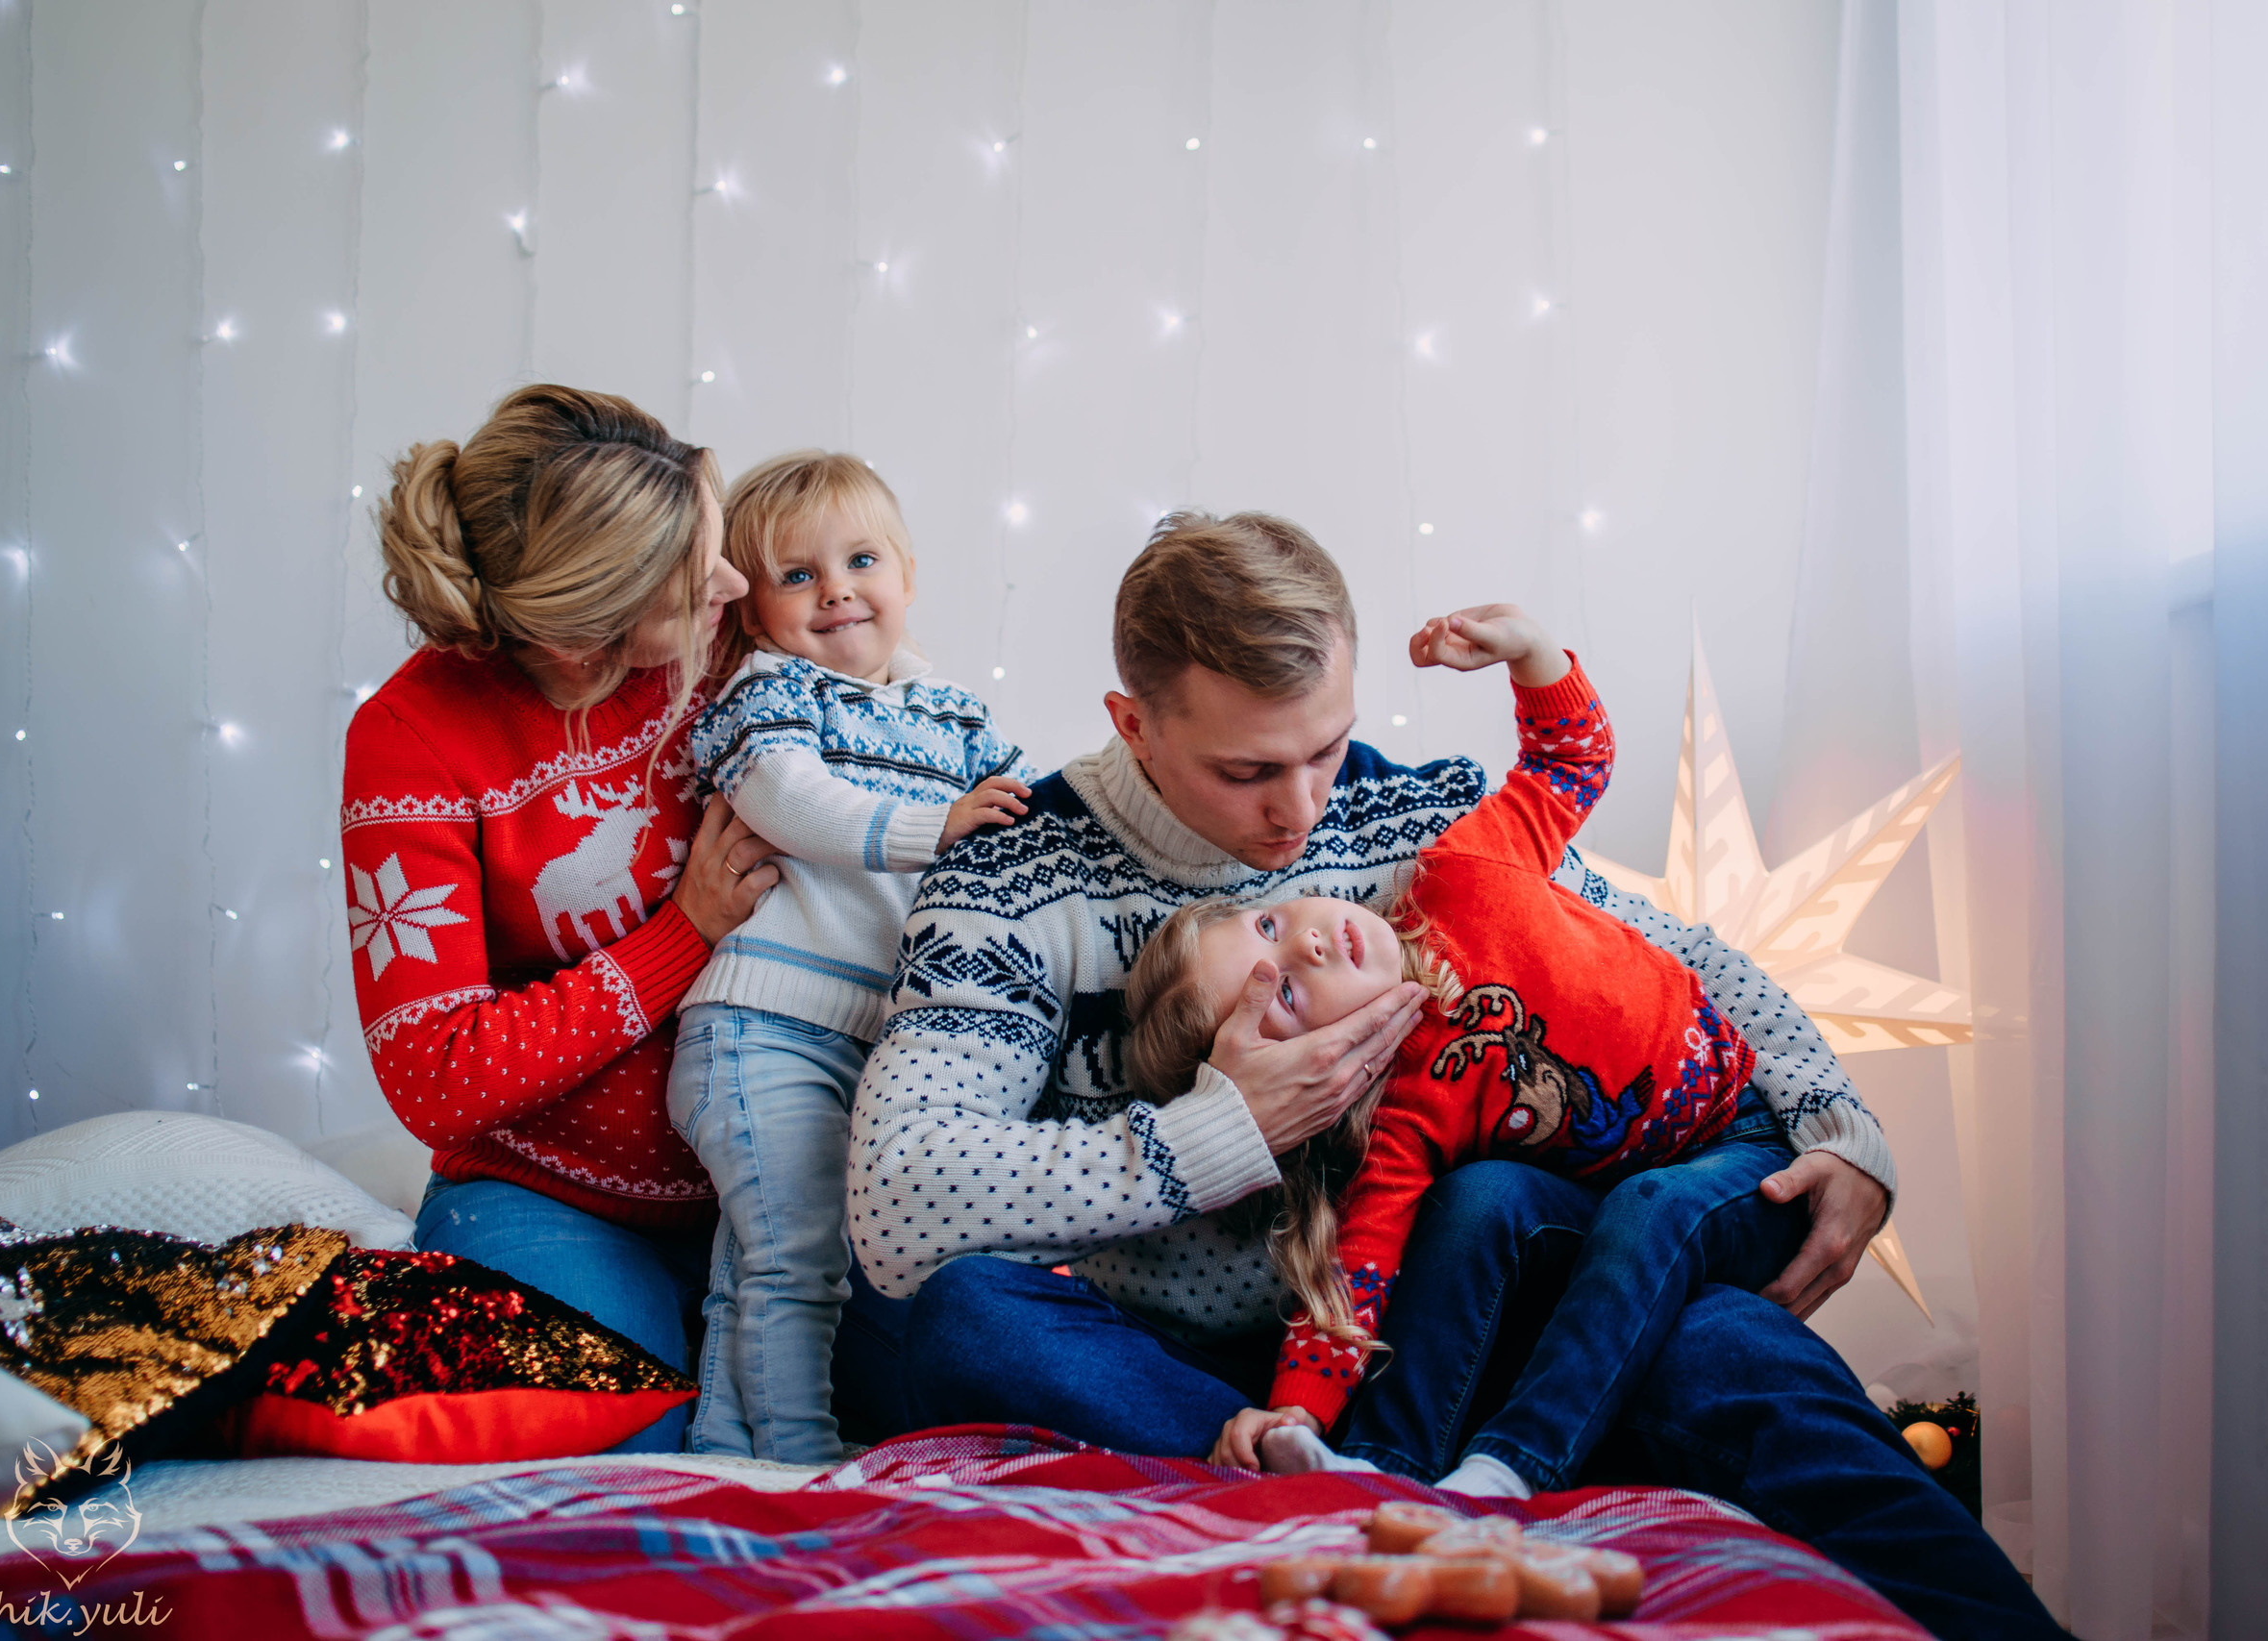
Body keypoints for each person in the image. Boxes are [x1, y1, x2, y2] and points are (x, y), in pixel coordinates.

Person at [849, 510, 2061, 1638]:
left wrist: (1837, 1123)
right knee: (948, 1315)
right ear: (1133, 724)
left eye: (1323, 747)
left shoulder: (1414, 816)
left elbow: (1670, 957)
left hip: (1455, 1315)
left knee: (1720, 1341)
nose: (1301, 810)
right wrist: (1220, 1133)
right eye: (1246, 773)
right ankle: (1338, 1480)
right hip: (1182, 1363)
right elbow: (899, 1202)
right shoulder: (1009, 872)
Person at [1123, 603, 1804, 1501]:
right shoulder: (1404, 1118)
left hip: (1742, 1141)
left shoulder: (1463, 868)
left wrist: (1534, 654)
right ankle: (1382, 1479)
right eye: (1283, 991)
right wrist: (1295, 1413)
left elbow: (1572, 763)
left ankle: (1512, 1467)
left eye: (1272, 922)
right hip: (1596, 1194)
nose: (1311, 945)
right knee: (1485, 1210)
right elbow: (1354, 1276)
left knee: (1649, 1208)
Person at [344, 385, 778, 1453]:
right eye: (694, 579)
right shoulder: (412, 737)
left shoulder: (729, 648)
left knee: (980, 1355)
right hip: (548, 1201)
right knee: (622, 1443)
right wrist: (686, 931)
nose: (735, 582)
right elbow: (437, 1076)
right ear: (589, 638)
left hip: (781, 1181)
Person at [665, 452, 1032, 1462]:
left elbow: (1034, 819)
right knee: (799, 1261)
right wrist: (938, 827)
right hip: (763, 1031)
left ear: (906, 576)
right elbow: (793, 803)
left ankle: (726, 1449)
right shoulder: (765, 694)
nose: (835, 590)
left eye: (860, 560)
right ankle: (800, 1456)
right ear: (752, 613)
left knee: (759, 1264)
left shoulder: (956, 717)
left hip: (874, 1046)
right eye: (796, 575)